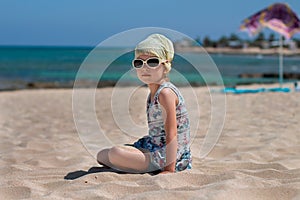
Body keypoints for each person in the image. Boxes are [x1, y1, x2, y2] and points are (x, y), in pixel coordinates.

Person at [97, 34, 192, 174]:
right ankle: (135, 162)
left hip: (168, 156)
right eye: (139, 63)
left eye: (152, 62)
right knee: (102, 156)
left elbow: (172, 133)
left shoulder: (165, 93)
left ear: (165, 66)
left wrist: (169, 170)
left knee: (115, 153)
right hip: (153, 145)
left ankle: (143, 164)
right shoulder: (153, 93)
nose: (144, 68)